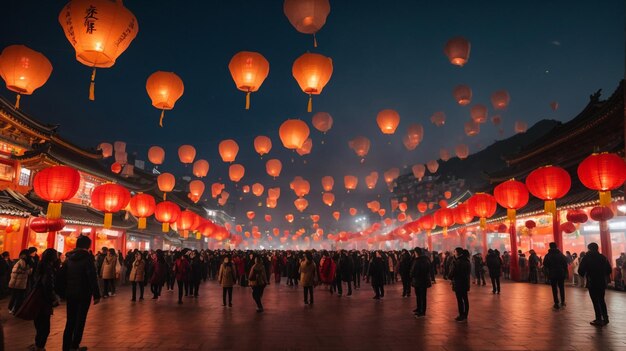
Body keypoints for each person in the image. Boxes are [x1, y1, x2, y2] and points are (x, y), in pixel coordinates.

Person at [59, 235, 100, 351]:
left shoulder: (69, 258)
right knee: (80, 320)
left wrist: (62, 292)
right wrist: (96, 294)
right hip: (83, 293)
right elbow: (92, 276)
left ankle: (66, 347)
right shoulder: (87, 258)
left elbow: (62, 275)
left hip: (70, 292)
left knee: (70, 320)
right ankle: (75, 346)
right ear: (88, 245)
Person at [28, 248, 59, 351]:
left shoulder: (41, 264)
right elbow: (48, 285)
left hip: (38, 297)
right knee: (45, 326)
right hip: (44, 300)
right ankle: (40, 346)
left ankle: (38, 344)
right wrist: (53, 298)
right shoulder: (48, 268)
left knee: (39, 322)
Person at [577, 242, 612, 326]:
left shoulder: (586, 258)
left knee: (595, 301)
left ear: (589, 249)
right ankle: (606, 318)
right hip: (601, 282)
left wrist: (586, 275)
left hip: (592, 282)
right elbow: (609, 270)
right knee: (601, 300)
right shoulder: (603, 257)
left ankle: (598, 319)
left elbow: (580, 270)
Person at [543, 242, 568, 309]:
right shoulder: (561, 255)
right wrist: (565, 272)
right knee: (561, 288)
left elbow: (545, 264)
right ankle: (563, 301)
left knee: (554, 288)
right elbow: (565, 264)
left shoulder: (548, 255)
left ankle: (556, 303)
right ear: (556, 246)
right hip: (561, 273)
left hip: (552, 274)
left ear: (550, 247)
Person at [449, 248, 471, 322]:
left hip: (458, 283)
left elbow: (453, 272)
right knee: (465, 299)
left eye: (454, 252)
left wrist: (450, 277)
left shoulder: (458, 262)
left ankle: (461, 315)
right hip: (465, 282)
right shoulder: (467, 261)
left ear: (457, 253)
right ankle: (465, 315)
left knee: (459, 300)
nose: (454, 253)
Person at [8, 249, 31, 314]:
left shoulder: (24, 261)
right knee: (17, 297)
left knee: (16, 296)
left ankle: (13, 309)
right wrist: (27, 271)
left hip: (20, 282)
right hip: (18, 283)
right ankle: (14, 309)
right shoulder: (21, 261)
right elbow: (15, 270)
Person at [411, 248, 431, 318]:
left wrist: (412, 274)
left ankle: (422, 311)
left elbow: (414, 271)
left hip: (420, 280)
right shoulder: (425, 260)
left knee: (421, 296)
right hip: (421, 281)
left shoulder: (419, 261)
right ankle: (419, 309)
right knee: (420, 296)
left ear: (416, 253)